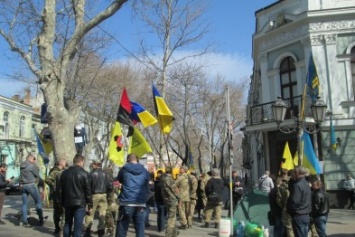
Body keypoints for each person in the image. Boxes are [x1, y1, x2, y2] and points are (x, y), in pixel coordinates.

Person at [115, 153, 151, 237]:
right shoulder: (144, 171)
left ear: (127, 160)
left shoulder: (124, 169)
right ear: (137, 160)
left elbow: (117, 182)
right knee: (140, 229)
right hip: (140, 203)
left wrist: (121, 187)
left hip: (126, 202)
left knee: (122, 229)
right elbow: (147, 186)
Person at [59, 154, 92, 237]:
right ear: (81, 162)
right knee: (78, 225)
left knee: (67, 223)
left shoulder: (64, 173)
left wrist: (61, 202)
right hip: (80, 203)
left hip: (68, 202)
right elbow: (88, 190)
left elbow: (60, 190)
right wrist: (90, 204)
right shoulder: (85, 173)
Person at [84, 159, 113, 237]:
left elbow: (88, 187)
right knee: (102, 214)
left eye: (93, 164)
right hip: (103, 195)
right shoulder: (106, 174)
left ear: (95, 164)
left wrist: (88, 197)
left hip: (94, 195)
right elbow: (110, 186)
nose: (92, 165)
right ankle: (101, 232)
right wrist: (106, 193)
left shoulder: (91, 174)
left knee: (90, 213)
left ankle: (87, 231)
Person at [19, 154, 45, 227]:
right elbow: (38, 176)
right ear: (30, 159)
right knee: (38, 201)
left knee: (24, 204)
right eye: (34, 159)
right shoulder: (31, 166)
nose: (35, 161)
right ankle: (41, 218)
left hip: (23, 185)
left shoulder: (21, 166)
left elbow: (20, 177)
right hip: (31, 185)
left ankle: (24, 221)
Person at [287, 166, 312, 237]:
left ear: (297, 173)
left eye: (294, 173)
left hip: (299, 215)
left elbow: (294, 201)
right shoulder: (306, 183)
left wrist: (290, 210)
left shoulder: (297, 185)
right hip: (305, 214)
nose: (292, 175)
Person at [45, 158, 67, 235]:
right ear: (61, 164)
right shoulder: (56, 171)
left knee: (58, 212)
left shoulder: (58, 170)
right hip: (56, 195)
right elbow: (47, 179)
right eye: (65, 163)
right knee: (58, 212)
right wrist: (54, 186)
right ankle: (58, 229)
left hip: (57, 194)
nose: (65, 165)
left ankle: (58, 229)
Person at [161, 166, 180, 237]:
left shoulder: (163, 178)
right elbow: (175, 189)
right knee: (171, 218)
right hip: (172, 200)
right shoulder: (169, 179)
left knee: (173, 217)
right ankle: (169, 234)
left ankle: (173, 233)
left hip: (167, 199)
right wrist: (179, 197)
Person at [276, 169, 294, 237]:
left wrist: (284, 206)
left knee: (289, 228)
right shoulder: (297, 182)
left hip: (286, 208)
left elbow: (278, 199)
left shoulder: (282, 185)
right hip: (298, 209)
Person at [175, 165, 190, 230]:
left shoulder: (180, 177)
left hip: (181, 196)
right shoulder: (189, 177)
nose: (179, 169)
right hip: (188, 195)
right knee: (187, 211)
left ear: (184, 170)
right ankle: (188, 223)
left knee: (181, 210)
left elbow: (174, 184)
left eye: (180, 168)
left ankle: (184, 224)